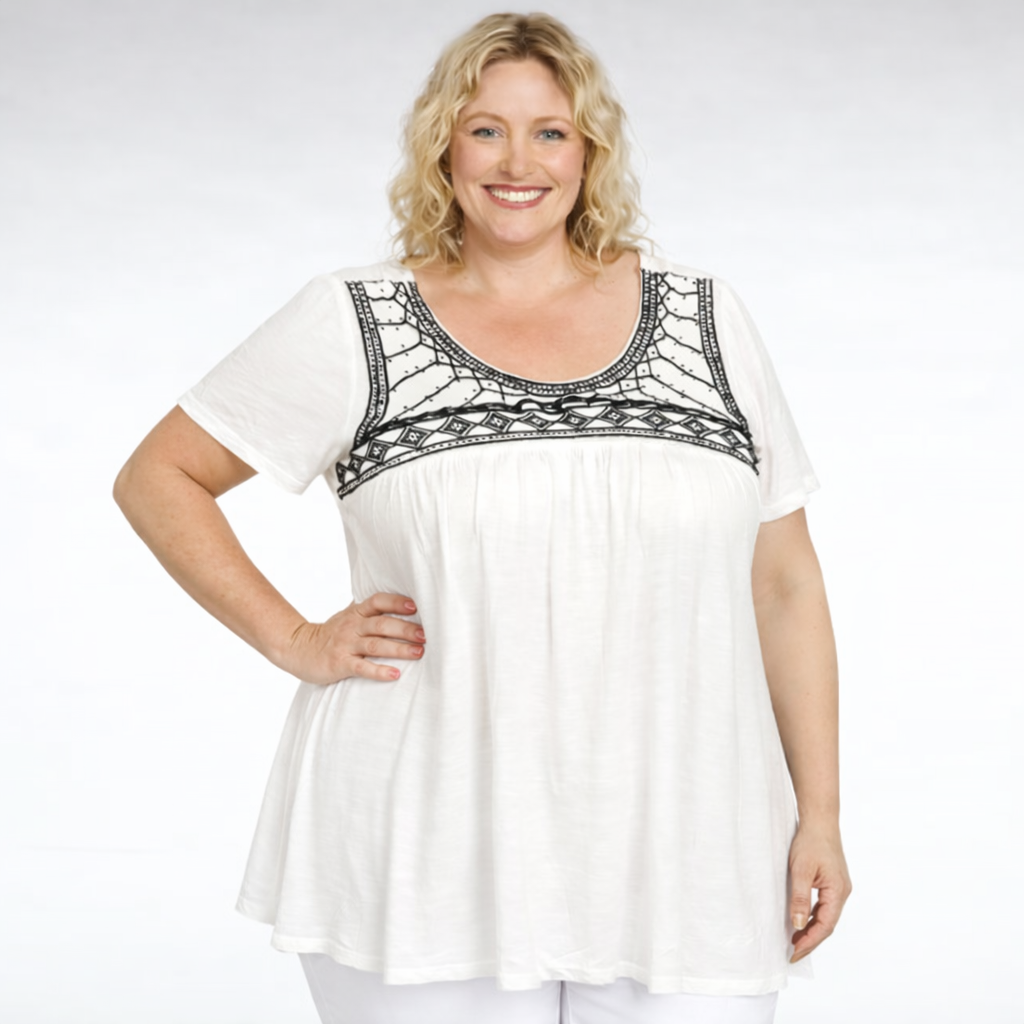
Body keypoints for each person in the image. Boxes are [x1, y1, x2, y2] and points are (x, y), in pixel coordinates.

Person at [113, 11, 851, 1024]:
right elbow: (160, 475)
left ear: (589, 152)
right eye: (485, 129)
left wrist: (820, 814)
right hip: (424, 846)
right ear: (443, 148)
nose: (517, 162)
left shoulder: (706, 320)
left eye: (550, 131)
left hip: (689, 846)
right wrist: (294, 638)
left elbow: (785, 583)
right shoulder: (357, 319)